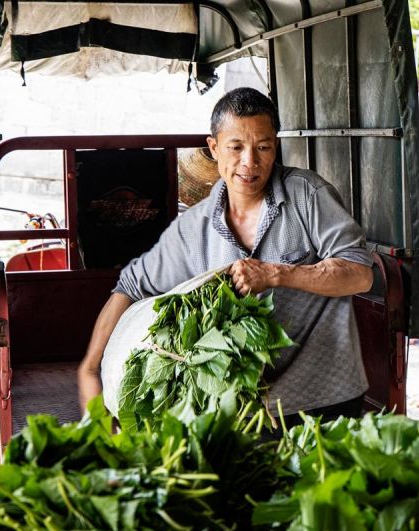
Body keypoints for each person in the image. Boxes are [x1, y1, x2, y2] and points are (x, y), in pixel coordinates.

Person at [77, 87, 374, 423]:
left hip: (324, 399)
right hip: (241, 410)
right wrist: (91, 367)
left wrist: (278, 274)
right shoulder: (194, 228)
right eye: (236, 147)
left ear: (275, 145)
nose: (250, 162)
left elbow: (359, 273)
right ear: (214, 148)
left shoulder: (307, 195)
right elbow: (130, 287)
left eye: (263, 147)